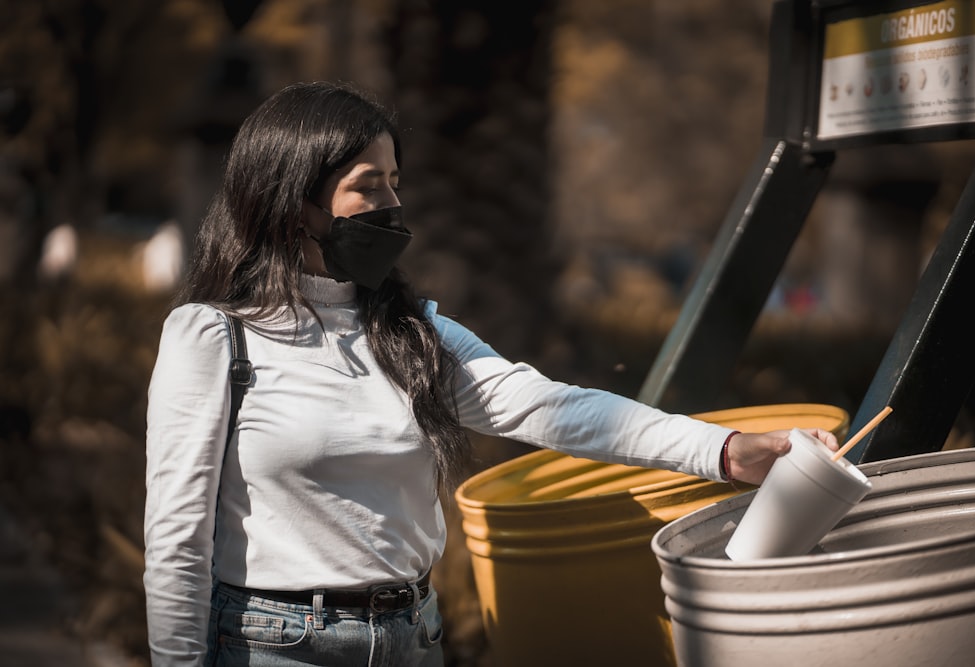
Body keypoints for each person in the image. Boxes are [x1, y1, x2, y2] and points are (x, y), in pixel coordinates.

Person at [143, 80, 838, 667]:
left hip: (415, 636)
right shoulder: (213, 337)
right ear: (293, 201)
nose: (391, 204)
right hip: (275, 646)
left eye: (395, 182)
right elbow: (176, 537)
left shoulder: (415, 333)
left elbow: (555, 408)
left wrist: (724, 449)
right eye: (367, 186)